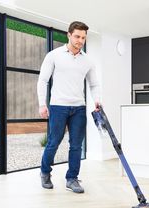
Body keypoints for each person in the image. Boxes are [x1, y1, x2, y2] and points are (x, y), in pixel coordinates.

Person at [37, 21, 100, 193]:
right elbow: (43, 80)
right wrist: (42, 104)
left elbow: (94, 84)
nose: (80, 40)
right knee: (53, 142)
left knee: (76, 146)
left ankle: (72, 179)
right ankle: (44, 172)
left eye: (83, 38)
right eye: (77, 36)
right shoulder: (54, 55)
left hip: (79, 108)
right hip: (58, 106)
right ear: (69, 35)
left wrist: (97, 100)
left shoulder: (87, 60)